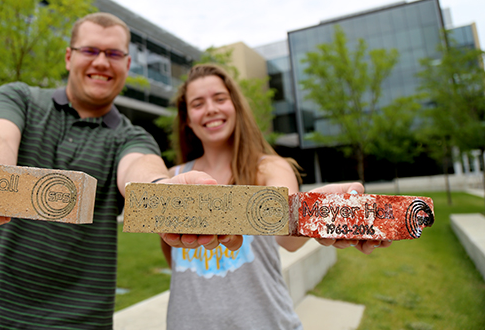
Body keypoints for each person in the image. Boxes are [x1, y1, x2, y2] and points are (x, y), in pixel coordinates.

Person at [0, 13, 239, 330]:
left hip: (73, 320)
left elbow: (141, 169)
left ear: (127, 64)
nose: (101, 61)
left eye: (113, 53)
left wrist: (164, 193)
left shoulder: (132, 136)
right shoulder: (17, 97)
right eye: (90, 50)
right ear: (69, 56)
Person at [160, 64, 392, 330]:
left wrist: (314, 211)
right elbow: (170, 249)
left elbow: (287, 237)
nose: (211, 108)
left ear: (235, 106)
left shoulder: (269, 168)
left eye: (220, 99)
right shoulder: (173, 177)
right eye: (198, 103)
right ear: (187, 118)